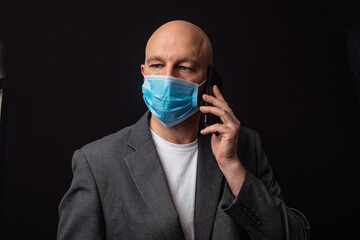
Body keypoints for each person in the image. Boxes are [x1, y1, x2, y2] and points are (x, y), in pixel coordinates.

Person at [57, 20, 310, 240]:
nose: (168, 78)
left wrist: (233, 167)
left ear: (208, 82)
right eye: (157, 65)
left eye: (184, 67)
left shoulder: (244, 146)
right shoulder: (97, 163)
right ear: (144, 74)